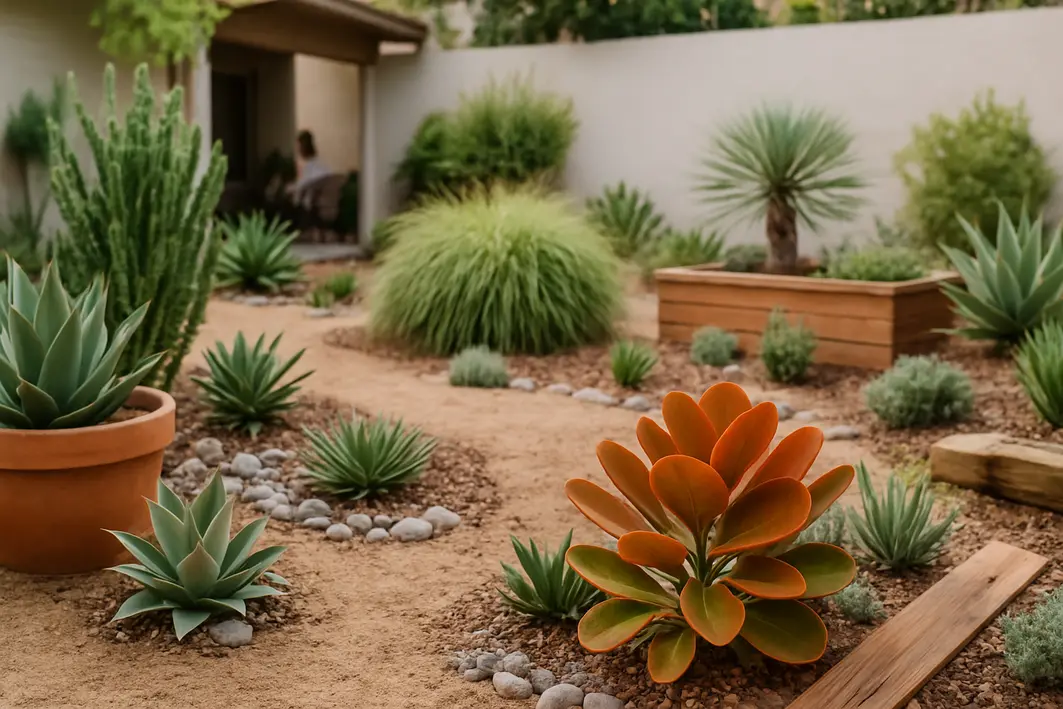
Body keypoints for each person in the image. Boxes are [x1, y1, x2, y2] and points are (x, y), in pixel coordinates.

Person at [288, 130, 330, 200]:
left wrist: (290, 188)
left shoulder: (313, 167)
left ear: (303, 147)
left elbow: (304, 185)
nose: (297, 150)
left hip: (312, 205)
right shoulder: (319, 164)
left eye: (298, 146)